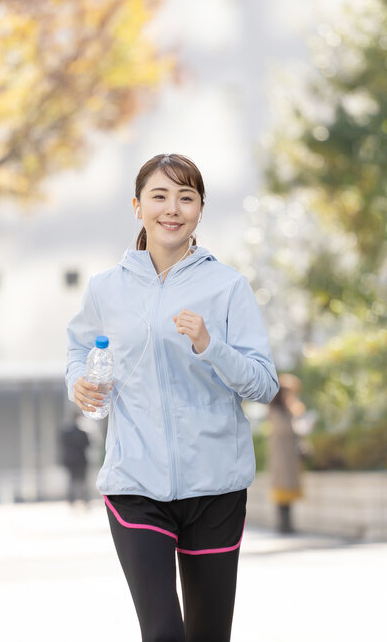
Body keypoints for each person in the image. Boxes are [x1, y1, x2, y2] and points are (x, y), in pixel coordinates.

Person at [67, 153, 279, 642]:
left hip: (216, 488)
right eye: (160, 196)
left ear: (200, 210)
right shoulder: (105, 289)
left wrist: (211, 346)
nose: (172, 208)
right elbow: (79, 351)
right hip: (135, 484)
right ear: (137, 206)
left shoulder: (228, 287)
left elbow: (264, 384)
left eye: (186, 197)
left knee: (208, 636)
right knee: (163, 634)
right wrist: (78, 381)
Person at [267, 373, 307, 534]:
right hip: (282, 456)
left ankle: (288, 524)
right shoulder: (275, 410)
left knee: (289, 491)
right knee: (282, 491)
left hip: (290, 456)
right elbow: (284, 429)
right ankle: (284, 525)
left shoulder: (289, 408)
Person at [60, 410, 92, 508]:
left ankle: (71, 502)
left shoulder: (66, 432)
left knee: (71, 481)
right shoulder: (83, 432)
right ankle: (85, 502)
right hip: (81, 460)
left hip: (70, 460)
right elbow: (88, 445)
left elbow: (62, 445)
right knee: (83, 482)